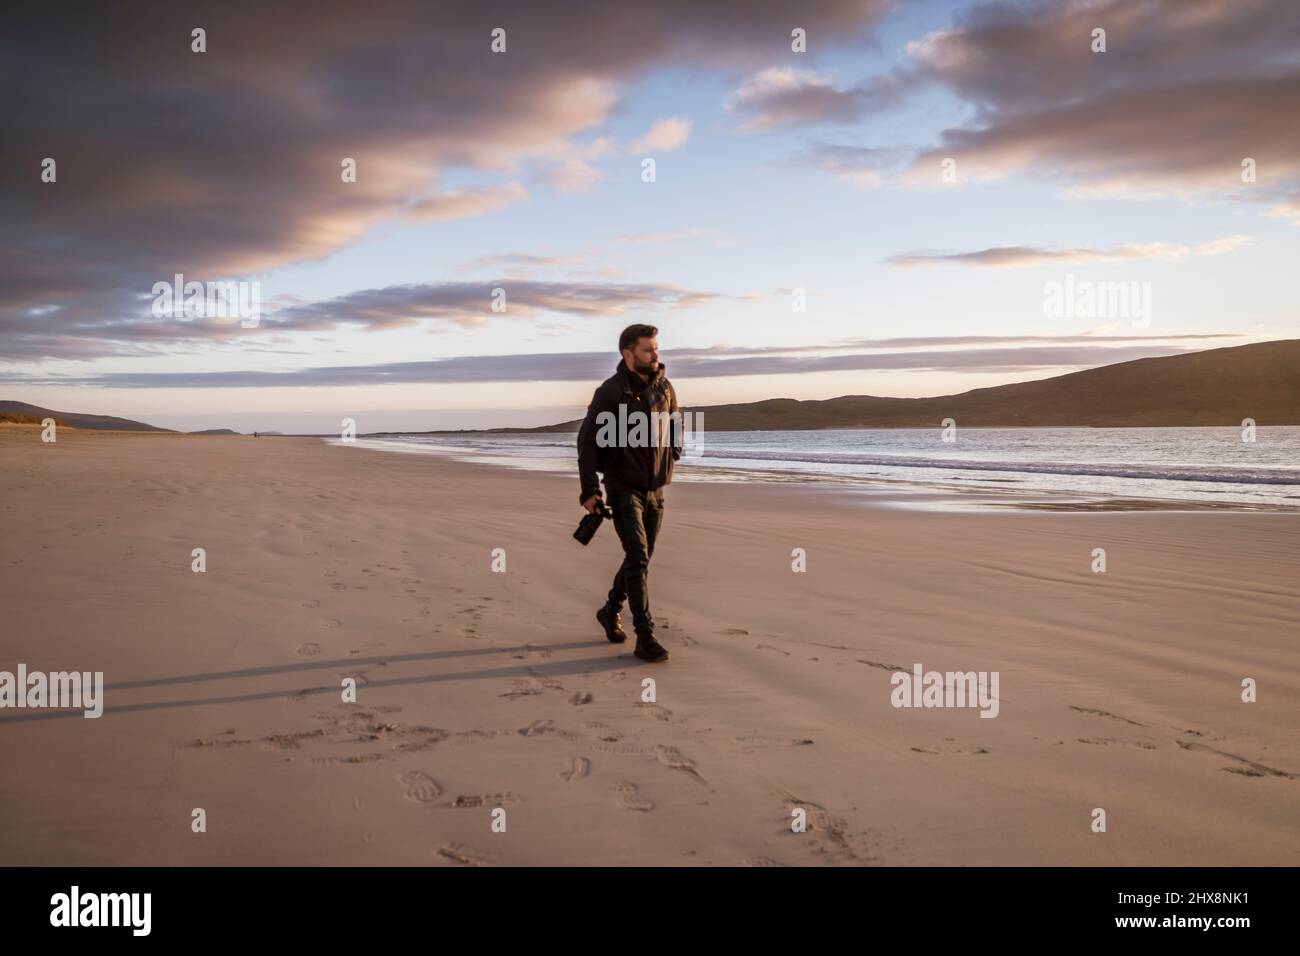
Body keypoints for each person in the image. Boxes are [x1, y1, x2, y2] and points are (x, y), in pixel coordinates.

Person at [577, 324, 682, 663]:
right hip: (622, 487)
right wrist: (590, 490)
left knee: (641, 558)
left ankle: (610, 609)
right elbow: (588, 442)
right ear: (628, 354)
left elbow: (675, 427)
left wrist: (672, 455)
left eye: (656, 349)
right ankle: (645, 636)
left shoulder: (665, 388)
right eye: (648, 350)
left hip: (655, 490)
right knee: (637, 556)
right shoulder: (610, 392)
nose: (656, 355)